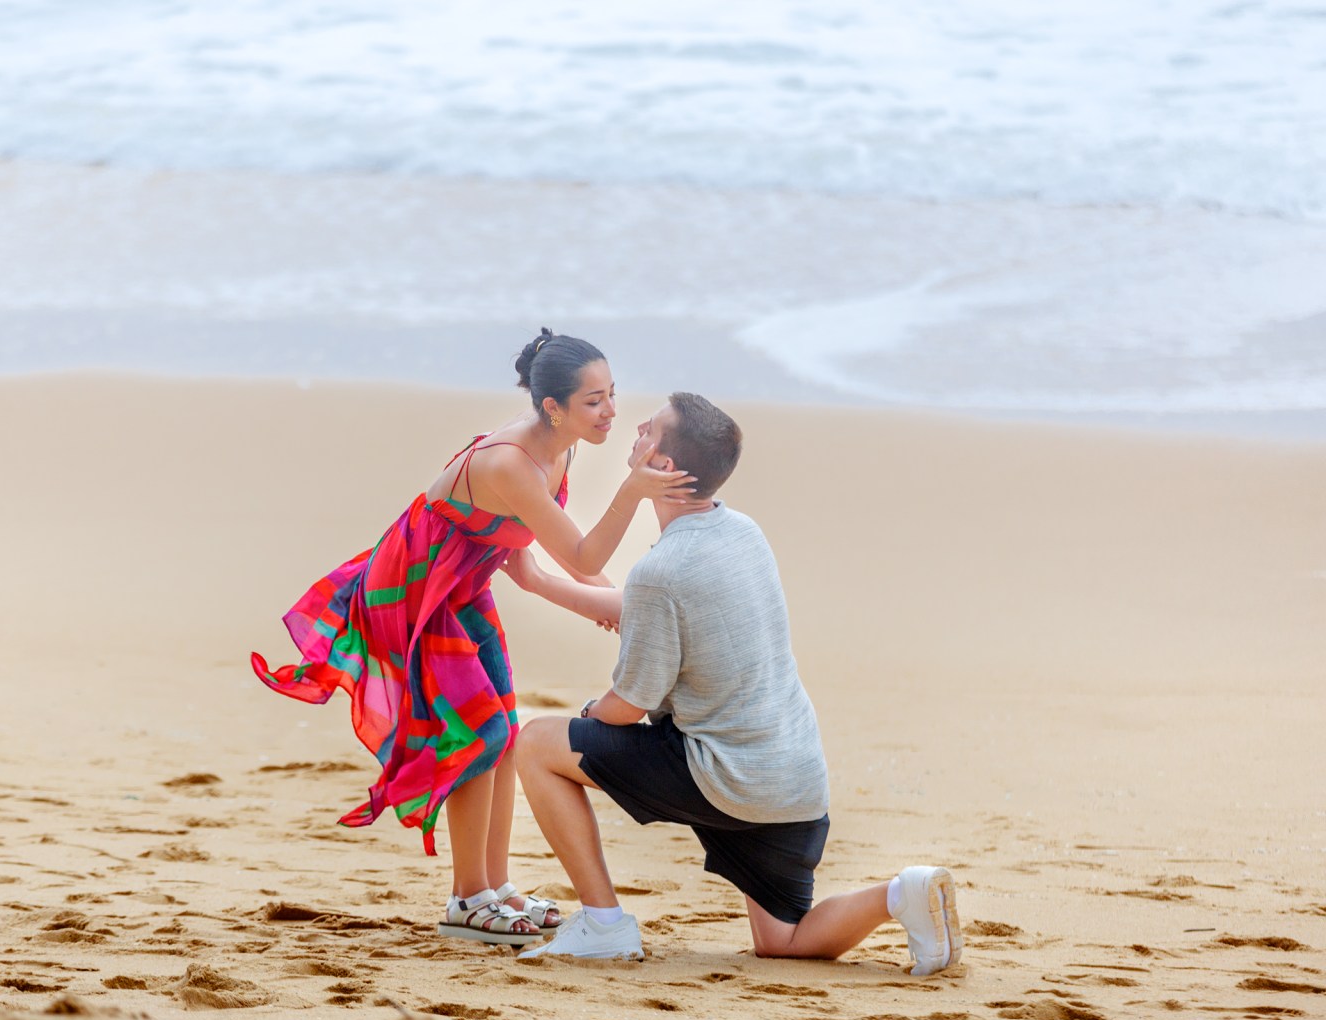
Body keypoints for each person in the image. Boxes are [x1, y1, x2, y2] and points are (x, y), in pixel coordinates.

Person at [249, 330, 696, 945]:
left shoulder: (560, 447)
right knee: (478, 734)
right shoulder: (510, 463)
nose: (610, 412)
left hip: (464, 586)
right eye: (593, 401)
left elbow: (568, 555)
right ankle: (467, 898)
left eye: (612, 395)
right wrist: (630, 495)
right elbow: (581, 550)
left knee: (503, 731)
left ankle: (496, 887)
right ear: (553, 407)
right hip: (415, 589)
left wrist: (606, 601)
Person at [503, 392, 964, 974]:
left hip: (729, 778)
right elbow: (649, 607)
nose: (636, 426)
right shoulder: (742, 532)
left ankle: (603, 924)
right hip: (794, 782)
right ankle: (901, 894)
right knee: (783, 942)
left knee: (537, 745)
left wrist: (590, 717)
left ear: (663, 466)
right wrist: (539, 582)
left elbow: (628, 704)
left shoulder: (662, 572)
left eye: (651, 428)